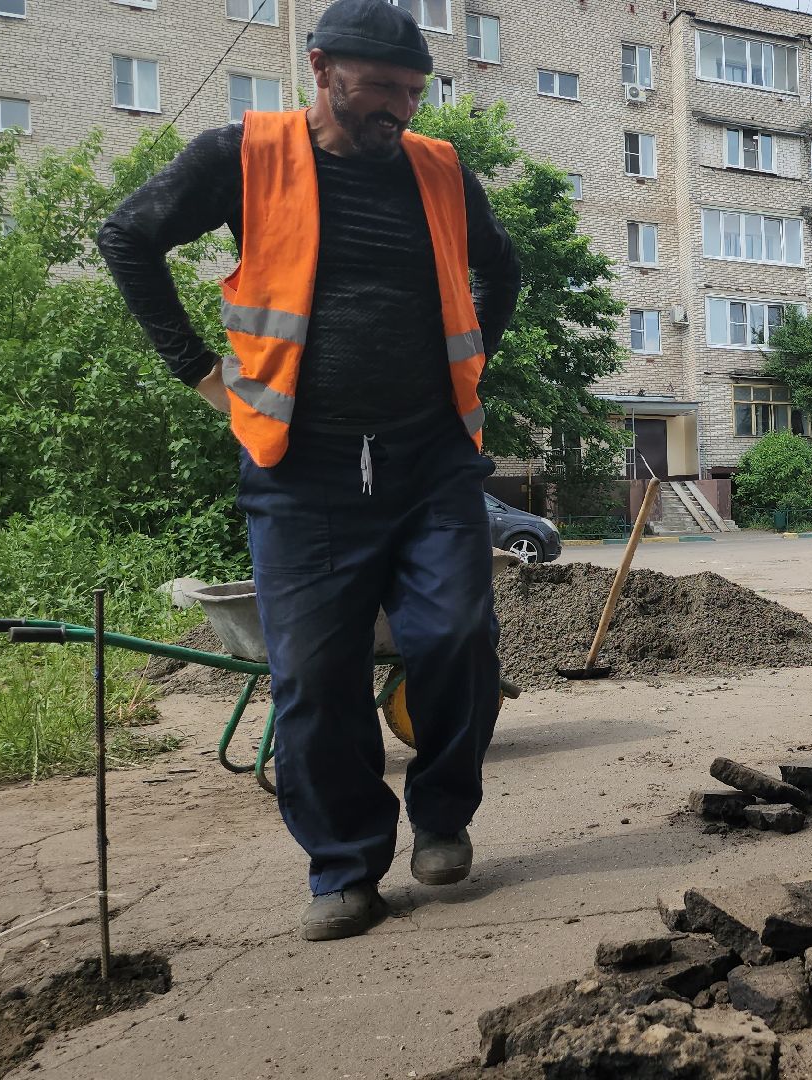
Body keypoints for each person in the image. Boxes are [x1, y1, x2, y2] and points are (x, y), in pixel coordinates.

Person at [98, 0, 522, 941]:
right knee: (315, 676)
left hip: (430, 456)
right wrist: (200, 374)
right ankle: (344, 869)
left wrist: (469, 360)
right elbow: (127, 235)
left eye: (414, 92)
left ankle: (443, 817)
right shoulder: (244, 154)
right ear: (322, 67)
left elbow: (504, 269)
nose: (400, 111)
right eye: (382, 90)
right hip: (301, 467)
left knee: (456, 635)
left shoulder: (442, 171)